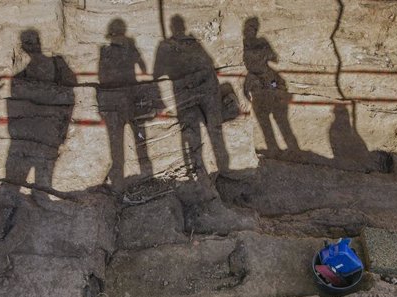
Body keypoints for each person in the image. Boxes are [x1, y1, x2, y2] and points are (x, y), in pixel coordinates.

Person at [153, 15, 228, 176]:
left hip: (200, 87)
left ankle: (218, 164)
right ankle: (213, 164)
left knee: (213, 125)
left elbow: (157, 74)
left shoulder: (181, 45)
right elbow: (157, 74)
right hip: (188, 90)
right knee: (202, 127)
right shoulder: (171, 46)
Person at [5, 29, 76, 193]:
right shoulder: (28, 68)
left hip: (41, 127)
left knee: (39, 169)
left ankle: (40, 193)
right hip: (34, 127)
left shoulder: (49, 63)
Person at [98, 18, 160, 187]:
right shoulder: (129, 46)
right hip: (129, 97)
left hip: (113, 100)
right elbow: (143, 66)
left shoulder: (106, 51)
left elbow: (102, 75)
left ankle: (118, 180)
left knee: (116, 142)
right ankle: (146, 173)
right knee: (138, 137)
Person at [243, 17, 299, 154]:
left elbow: (274, 58)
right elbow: (274, 58)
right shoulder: (258, 43)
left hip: (259, 78)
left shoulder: (250, 44)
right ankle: (279, 148)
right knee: (267, 117)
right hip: (258, 78)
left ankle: (285, 148)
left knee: (272, 116)